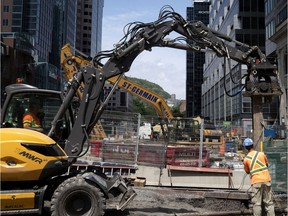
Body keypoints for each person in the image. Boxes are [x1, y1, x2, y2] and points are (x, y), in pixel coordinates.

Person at [243, 138, 275, 216]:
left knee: (257, 204)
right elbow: (266, 165)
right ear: (253, 145)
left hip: (256, 182)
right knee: (269, 203)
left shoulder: (246, 159)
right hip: (266, 180)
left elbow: (247, 171)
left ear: (245, 148)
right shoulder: (261, 154)